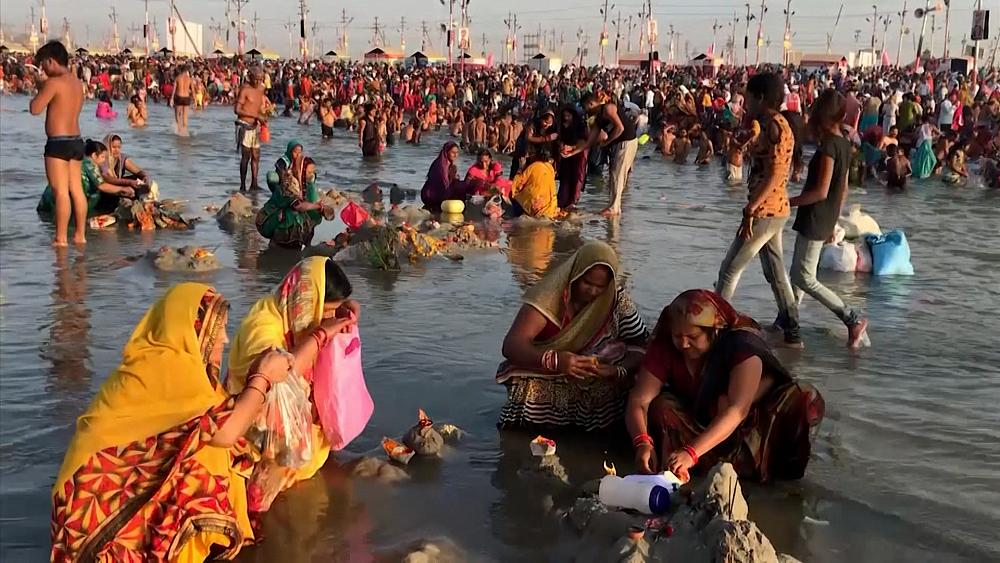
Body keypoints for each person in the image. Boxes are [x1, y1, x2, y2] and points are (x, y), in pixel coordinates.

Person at [51, 283, 294, 561]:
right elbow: (224, 432)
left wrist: (256, 377)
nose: (225, 340)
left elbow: (220, 419)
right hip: (90, 509)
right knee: (207, 465)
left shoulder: (171, 362)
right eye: (219, 330)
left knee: (216, 455)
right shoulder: (165, 366)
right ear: (193, 332)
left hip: (109, 492)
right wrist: (261, 377)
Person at [626, 290, 824, 482]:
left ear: (714, 331)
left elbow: (737, 410)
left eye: (693, 338)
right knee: (661, 406)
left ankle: (772, 477)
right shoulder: (666, 345)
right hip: (701, 423)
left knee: (804, 396)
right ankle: (681, 472)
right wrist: (642, 442)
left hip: (754, 428)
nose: (684, 344)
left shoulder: (741, 346)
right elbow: (639, 399)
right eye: (678, 336)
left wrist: (691, 452)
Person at [227, 258, 360, 498]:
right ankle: (268, 472)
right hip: (252, 421)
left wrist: (343, 311)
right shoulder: (263, 326)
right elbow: (277, 378)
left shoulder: (292, 310)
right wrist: (320, 335)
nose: (327, 318)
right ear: (307, 300)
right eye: (325, 310)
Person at [498, 241, 650, 430]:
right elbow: (512, 345)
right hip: (549, 371)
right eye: (587, 282)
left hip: (595, 373)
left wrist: (618, 370)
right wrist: (555, 361)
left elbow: (641, 344)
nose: (592, 291)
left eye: (600, 286)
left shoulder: (616, 300)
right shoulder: (548, 297)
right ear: (575, 273)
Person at [714, 72, 799, 347]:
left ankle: (718, 331)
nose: (745, 102)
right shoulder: (771, 124)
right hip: (776, 209)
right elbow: (740, 158)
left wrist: (751, 209)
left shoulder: (774, 126)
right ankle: (792, 330)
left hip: (764, 211)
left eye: (748, 97)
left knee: (729, 270)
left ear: (760, 98)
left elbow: (775, 174)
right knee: (775, 272)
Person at [788, 90, 869, 348]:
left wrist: (787, 202)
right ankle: (788, 321)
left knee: (803, 277)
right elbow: (841, 189)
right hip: (825, 216)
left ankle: (851, 317)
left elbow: (820, 191)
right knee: (799, 274)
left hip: (815, 216)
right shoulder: (844, 144)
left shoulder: (828, 148)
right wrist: (834, 218)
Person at [30, 40, 86, 247]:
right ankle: (80, 235)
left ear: (51, 61)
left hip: (58, 142)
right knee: (77, 190)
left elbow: (35, 109)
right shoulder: (75, 82)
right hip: (76, 140)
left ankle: (61, 238)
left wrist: (39, 86)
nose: (41, 68)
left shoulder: (54, 83)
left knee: (60, 191)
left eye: (42, 64)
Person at [38, 139, 134, 217]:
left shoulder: (81, 161)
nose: (104, 160)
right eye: (103, 157)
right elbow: (102, 186)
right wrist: (122, 189)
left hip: (51, 201)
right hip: (54, 203)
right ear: (94, 155)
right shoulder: (88, 164)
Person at [258, 141, 327, 249]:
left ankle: (303, 244)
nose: (312, 176)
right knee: (292, 215)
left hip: (292, 208)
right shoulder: (287, 185)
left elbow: (312, 202)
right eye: (309, 173)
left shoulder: (306, 186)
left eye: (313, 173)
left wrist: (319, 208)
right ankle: (280, 246)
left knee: (313, 214)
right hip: (270, 220)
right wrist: (317, 206)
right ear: (300, 171)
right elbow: (298, 206)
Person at [582, 92, 639, 217]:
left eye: (585, 107)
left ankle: (614, 207)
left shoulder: (608, 108)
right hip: (619, 144)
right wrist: (572, 151)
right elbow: (589, 142)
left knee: (618, 174)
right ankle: (615, 206)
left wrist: (606, 142)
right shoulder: (598, 119)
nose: (586, 111)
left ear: (591, 103)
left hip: (627, 141)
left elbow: (620, 128)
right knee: (613, 174)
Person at [235, 67, 267, 192]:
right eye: (256, 79)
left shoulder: (260, 90)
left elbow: (257, 108)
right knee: (246, 156)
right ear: (250, 77)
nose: (258, 82)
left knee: (256, 156)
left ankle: (254, 183)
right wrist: (255, 116)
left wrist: (263, 117)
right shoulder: (245, 90)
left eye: (260, 79)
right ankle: (242, 185)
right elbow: (237, 110)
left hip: (255, 126)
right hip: (244, 125)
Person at [510, 148, 561, 220]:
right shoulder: (550, 167)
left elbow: (516, 185)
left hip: (537, 208)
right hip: (551, 209)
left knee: (513, 195)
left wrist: (521, 168)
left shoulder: (533, 167)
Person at [555, 104, 590, 209]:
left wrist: (571, 148)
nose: (566, 119)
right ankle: (562, 203)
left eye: (568, 116)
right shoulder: (561, 126)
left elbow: (584, 143)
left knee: (576, 180)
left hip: (579, 156)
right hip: (566, 157)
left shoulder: (580, 126)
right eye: (564, 116)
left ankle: (573, 202)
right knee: (565, 180)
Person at [421, 142, 468, 211]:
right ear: (446, 152)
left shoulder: (451, 165)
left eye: (457, 153)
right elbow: (444, 184)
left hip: (440, 192)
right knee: (460, 187)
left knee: (462, 185)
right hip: (431, 195)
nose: (455, 155)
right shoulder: (441, 165)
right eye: (453, 152)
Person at [911, 115, 939, 179]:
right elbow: (939, 133)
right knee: (931, 160)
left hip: (919, 144)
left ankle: (919, 173)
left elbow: (914, 136)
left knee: (919, 160)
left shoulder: (919, 127)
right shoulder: (931, 126)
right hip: (927, 145)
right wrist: (933, 137)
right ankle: (926, 173)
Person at [172, 64, 193, 135]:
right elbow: (193, 90)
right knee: (185, 115)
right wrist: (195, 101)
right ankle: (185, 131)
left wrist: (171, 99)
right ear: (187, 71)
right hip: (187, 97)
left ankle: (179, 129)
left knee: (178, 114)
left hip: (179, 96)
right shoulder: (190, 79)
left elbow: (174, 90)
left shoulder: (178, 78)